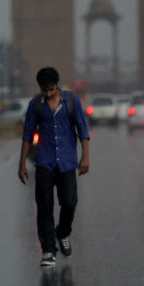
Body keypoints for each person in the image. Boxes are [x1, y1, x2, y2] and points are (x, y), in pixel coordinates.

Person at [18, 67, 90, 266]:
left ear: (57, 85)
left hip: (67, 161)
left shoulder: (71, 101)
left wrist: (85, 157)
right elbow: (27, 135)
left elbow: (83, 129)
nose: (48, 93)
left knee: (69, 202)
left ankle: (63, 232)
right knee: (44, 207)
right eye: (44, 90)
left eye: (51, 89)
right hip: (44, 161)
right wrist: (22, 164)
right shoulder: (36, 105)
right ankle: (48, 250)